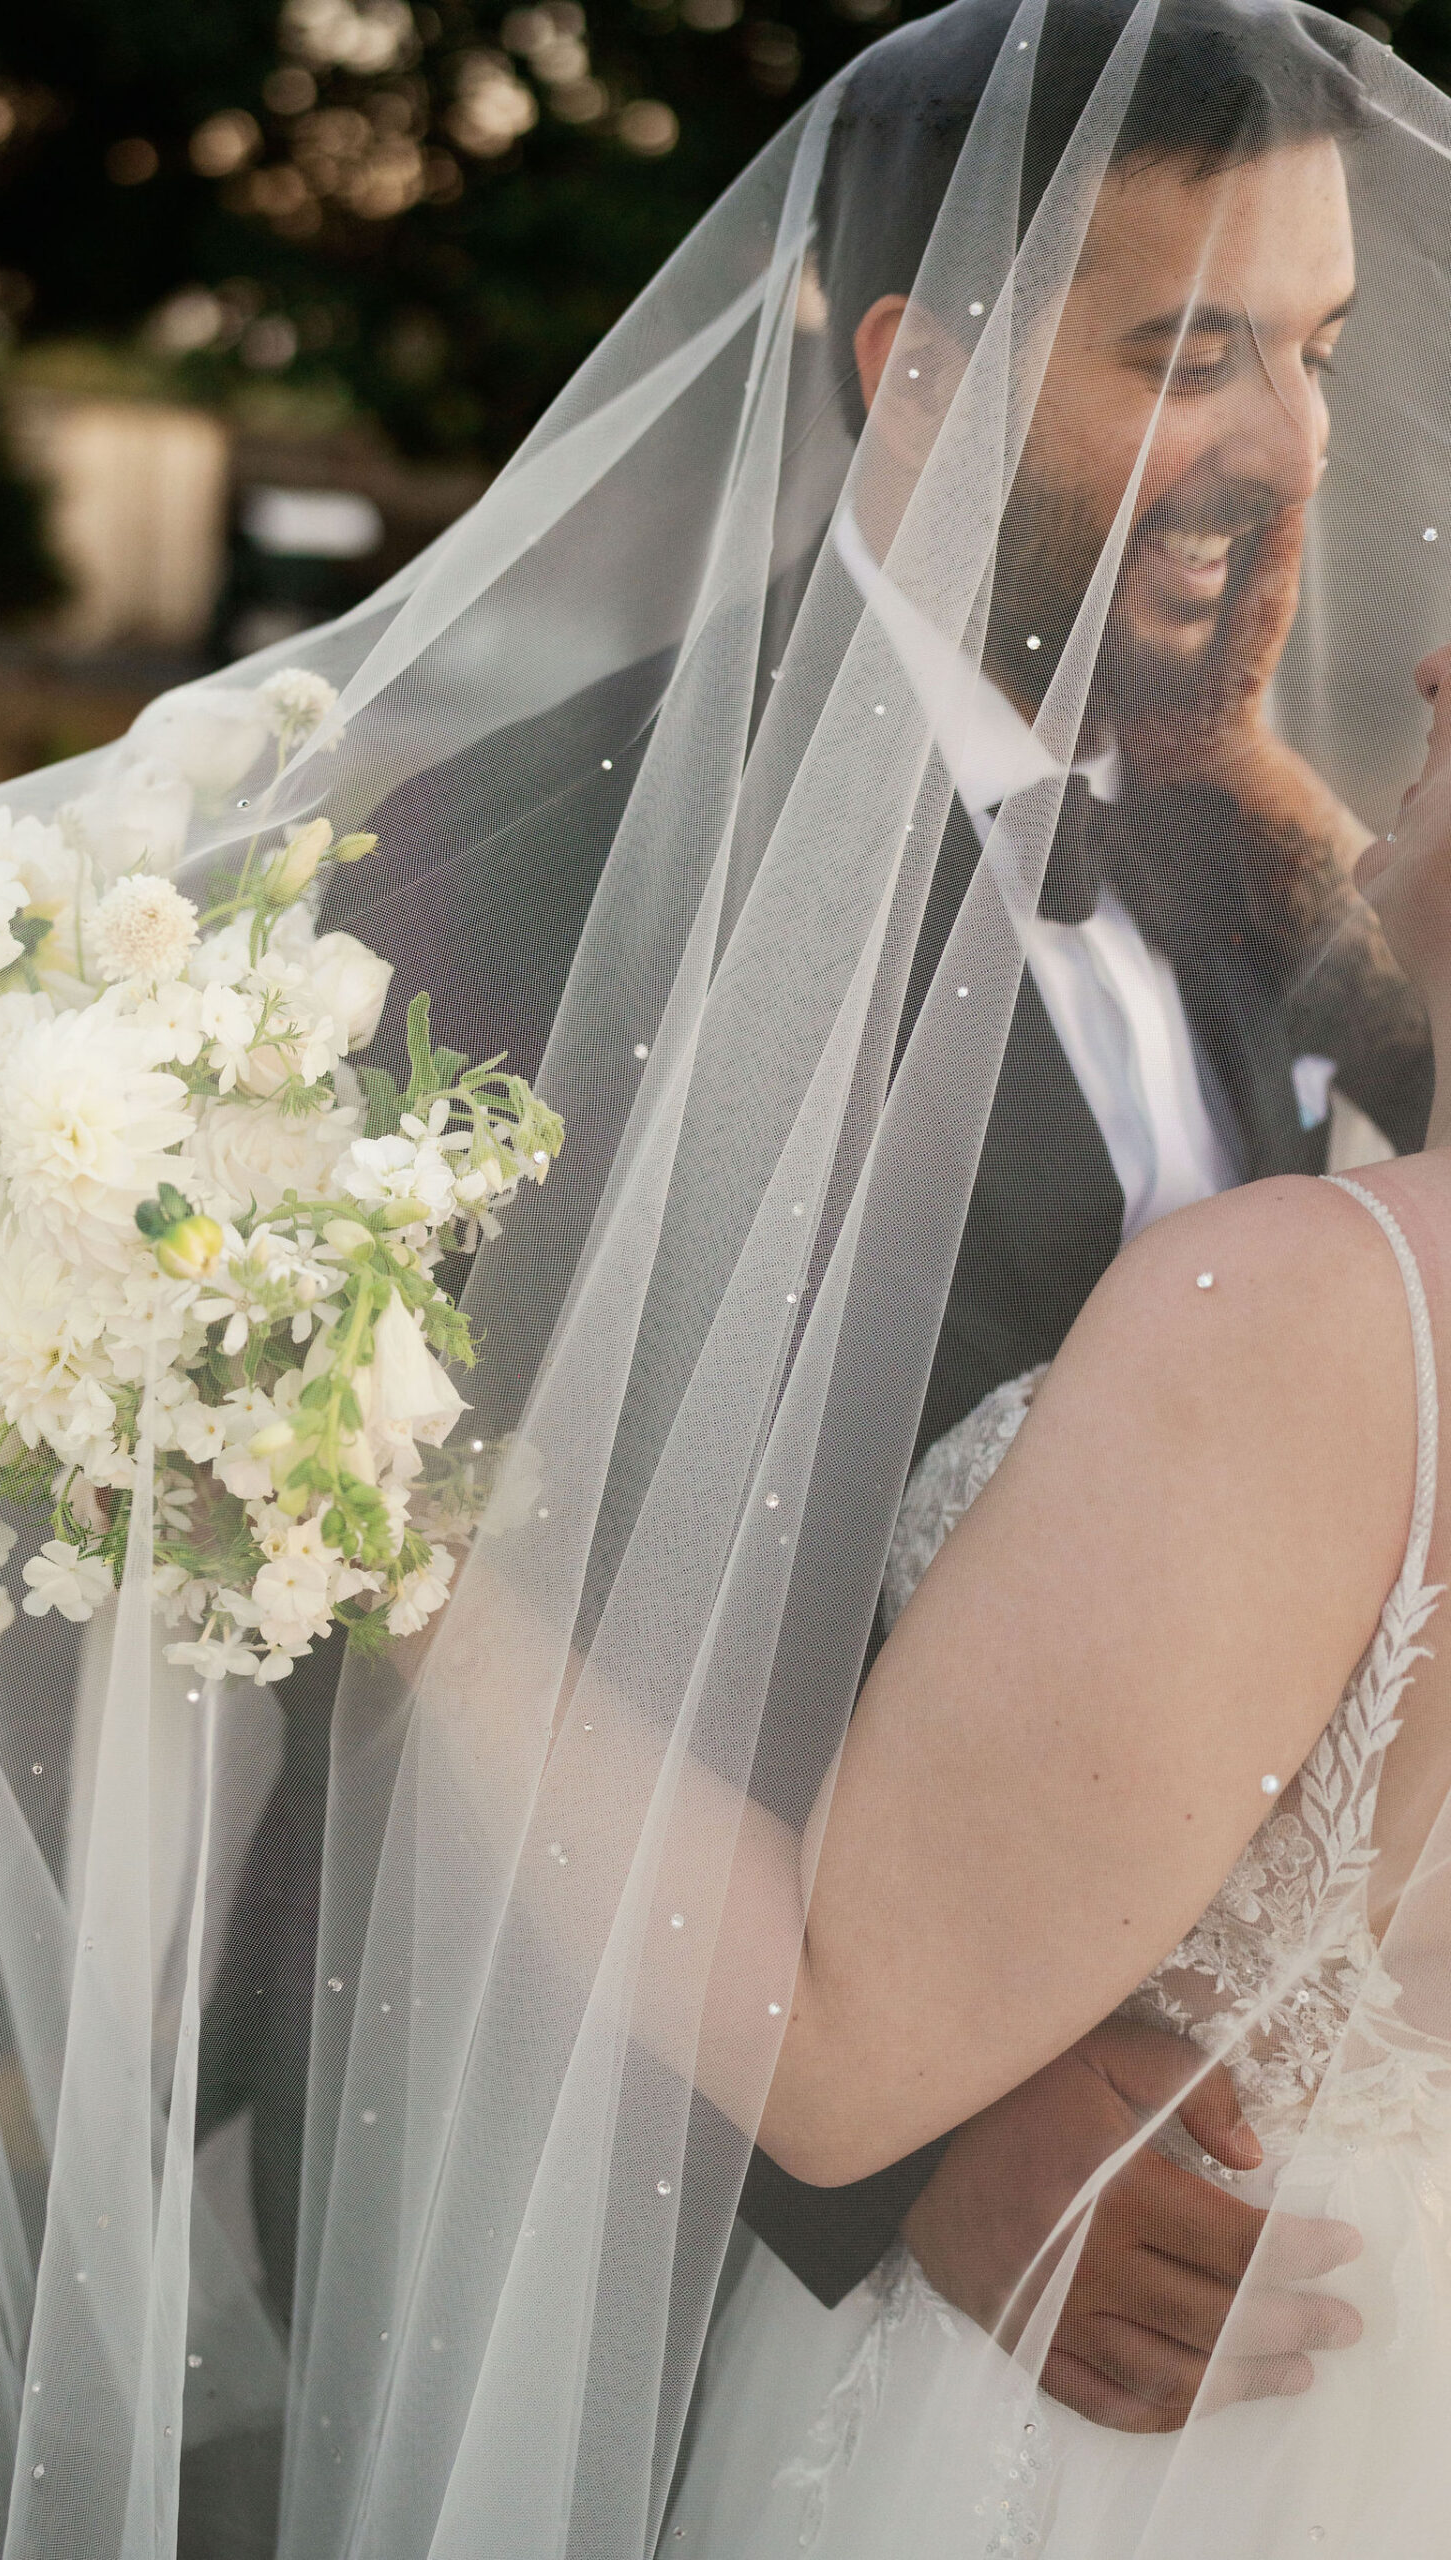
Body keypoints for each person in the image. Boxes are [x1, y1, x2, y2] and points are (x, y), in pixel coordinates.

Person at [0, 3, 1451, 2554]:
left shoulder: (1260, 829)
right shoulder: (512, 888)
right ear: (920, 376)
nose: (1283, 446)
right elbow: (351, 1590)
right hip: (643, 2259)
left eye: (1314, 353)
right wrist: (903, 2137)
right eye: (1187, 358)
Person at [657, 636, 1451, 2554]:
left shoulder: (1319, 1306)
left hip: (1120, 2422)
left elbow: (835, 2068)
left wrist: (407, 1561)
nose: (1425, 656)